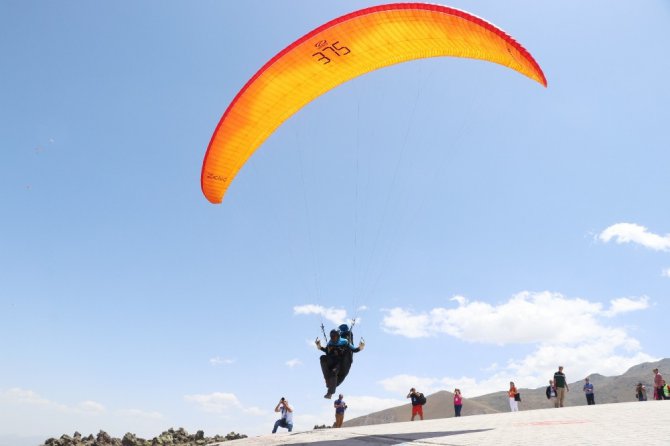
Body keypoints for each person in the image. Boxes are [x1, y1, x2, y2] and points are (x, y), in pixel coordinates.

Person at [315, 329, 364, 399]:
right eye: (332, 337)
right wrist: (319, 346)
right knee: (322, 358)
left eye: (335, 337)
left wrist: (360, 347)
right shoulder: (330, 343)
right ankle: (327, 379)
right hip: (331, 359)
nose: (334, 339)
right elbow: (326, 350)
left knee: (333, 372)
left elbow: (354, 350)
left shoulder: (345, 342)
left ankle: (330, 393)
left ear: (338, 336)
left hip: (339, 362)